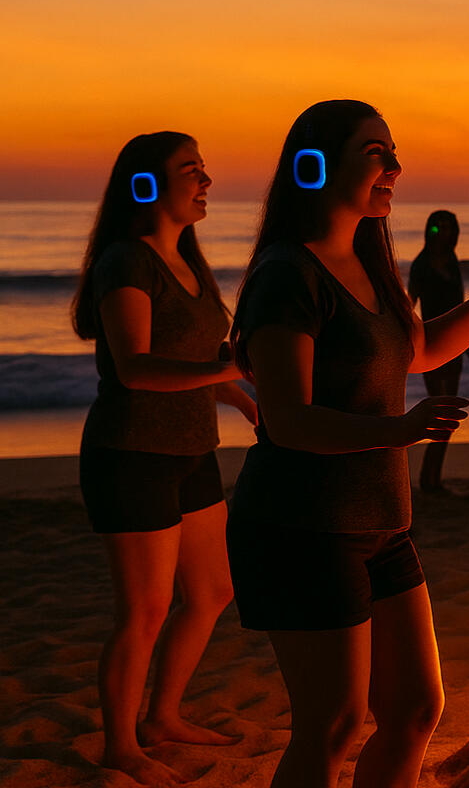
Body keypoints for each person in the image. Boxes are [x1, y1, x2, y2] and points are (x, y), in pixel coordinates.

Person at [226, 100, 469, 788]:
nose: (395, 167)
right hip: (300, 526)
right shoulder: (287, 275)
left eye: (394, 152)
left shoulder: (368, 264)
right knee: (333, 724)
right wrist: (396, 431)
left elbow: (419, 350)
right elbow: (288, 420)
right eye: (376, 153)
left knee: (416, 709)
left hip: (381, 527)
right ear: (316, 166)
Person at [71, 131, 257, 787]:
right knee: (145, 609)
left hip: (190, 450)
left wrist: (239, 395)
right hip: (131, 453)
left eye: (205, 169)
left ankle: (162, 717)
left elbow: (197, 362)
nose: (205, 182)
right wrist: (229, 364)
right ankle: (120, 745)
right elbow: (135, 368)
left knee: (211, 593)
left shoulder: (189, 265)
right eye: (191, 171)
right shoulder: (127, 261)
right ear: (145, 185)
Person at [406, 210, 469, 492]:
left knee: (450, 412)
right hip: (431, 343)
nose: (443, 233)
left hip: (455, 345)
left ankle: (432, 476)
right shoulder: (421, 264)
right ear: (429, 231)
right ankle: (429, 477)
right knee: (441, 409)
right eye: (438, 228)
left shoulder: (453, 262)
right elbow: (410, 302)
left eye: (448, 228)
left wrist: (468, 345)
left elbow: (461, 307)